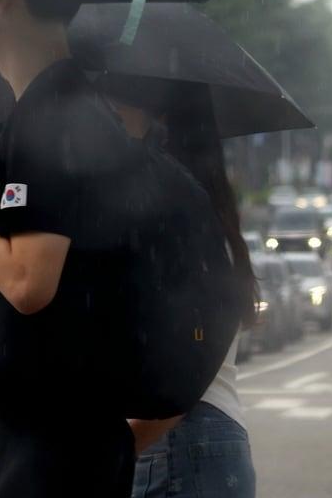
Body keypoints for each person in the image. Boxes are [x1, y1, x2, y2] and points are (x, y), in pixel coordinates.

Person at [0, 0, 176, 496]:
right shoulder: (73, 109)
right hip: (57, 441)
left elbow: (30, 282)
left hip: (37, 449)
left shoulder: (51, 117)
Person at [102, 77, 259, 498]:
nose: (105, 123)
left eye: (117, 111)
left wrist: (117, 450)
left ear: (161, 120)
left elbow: (180, 360)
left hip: (173, 439)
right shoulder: (209, 216)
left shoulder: (171, 213)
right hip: (207, 441)